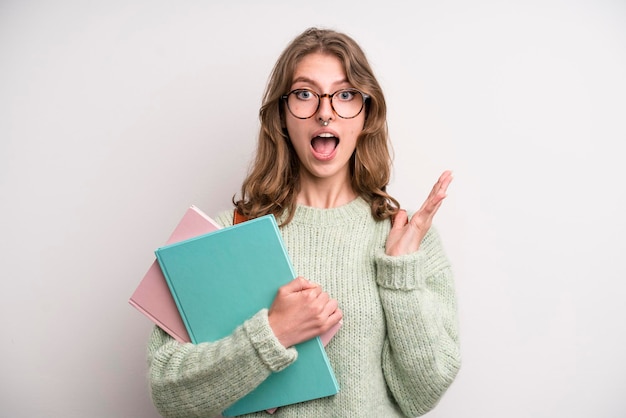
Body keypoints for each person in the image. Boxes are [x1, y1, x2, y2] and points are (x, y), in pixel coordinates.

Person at [147, 27, 461, 417]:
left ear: (366, 115)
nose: (324, 111)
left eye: (345, 95)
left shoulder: (405, 238)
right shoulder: (227, 232)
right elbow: (169, 396)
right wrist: (271, 335)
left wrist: (401, 273)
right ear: (281, 115)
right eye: (304, 94)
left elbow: (422, 394)